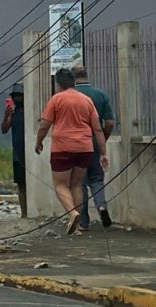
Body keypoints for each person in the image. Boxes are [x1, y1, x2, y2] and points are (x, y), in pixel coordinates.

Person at [35, 68, 106, 234]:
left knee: (60, 184)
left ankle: (72, 213)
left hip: (62, 147)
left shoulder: (56, 99)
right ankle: (78, 226)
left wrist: (38, 142)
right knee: (76, 184)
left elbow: (44, 125)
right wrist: (103, 153)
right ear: (73, 82)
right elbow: (98, 129)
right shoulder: (86, 100)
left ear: (58, 84)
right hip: (85, 148)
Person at [73, 65, 117, 230]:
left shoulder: (70, 96)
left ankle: (84, 221)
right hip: (94, 139)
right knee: (97, 179)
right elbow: (110, 123)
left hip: (76, 142)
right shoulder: (100, 94)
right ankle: (101, 206)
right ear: (86, 75)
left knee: (80, 183)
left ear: (73, 78)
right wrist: (102, 140)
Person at [0, 84, 28, 218]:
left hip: (31, 153)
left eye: (19, 96)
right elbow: (4, 129)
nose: (17, 98)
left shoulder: (31, 113)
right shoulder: (13, 114)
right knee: (21, 185)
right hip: (18, 154)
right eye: (15, 96)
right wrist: (6, 115)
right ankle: (24, 214)